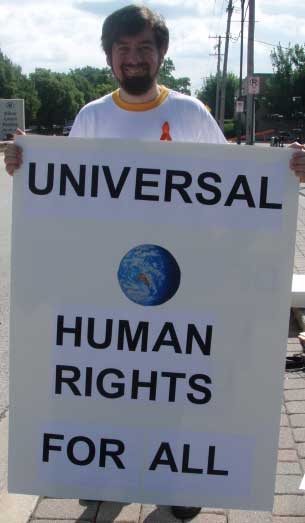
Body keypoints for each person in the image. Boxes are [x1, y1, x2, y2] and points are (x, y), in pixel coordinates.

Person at [3, 4, 305, 520]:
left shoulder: (190, 114)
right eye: (123, 49)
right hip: (105, 278)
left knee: (174, 378)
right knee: (109, 378)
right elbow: (64, 194)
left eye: (144, 47)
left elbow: (236, 187)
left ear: (161, 54)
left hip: (184, 279)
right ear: (109, 58)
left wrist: (286, 169)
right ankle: (102, 474)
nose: (134, 58)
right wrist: (26, 166)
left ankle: (179, 481)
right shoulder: (92, 116)